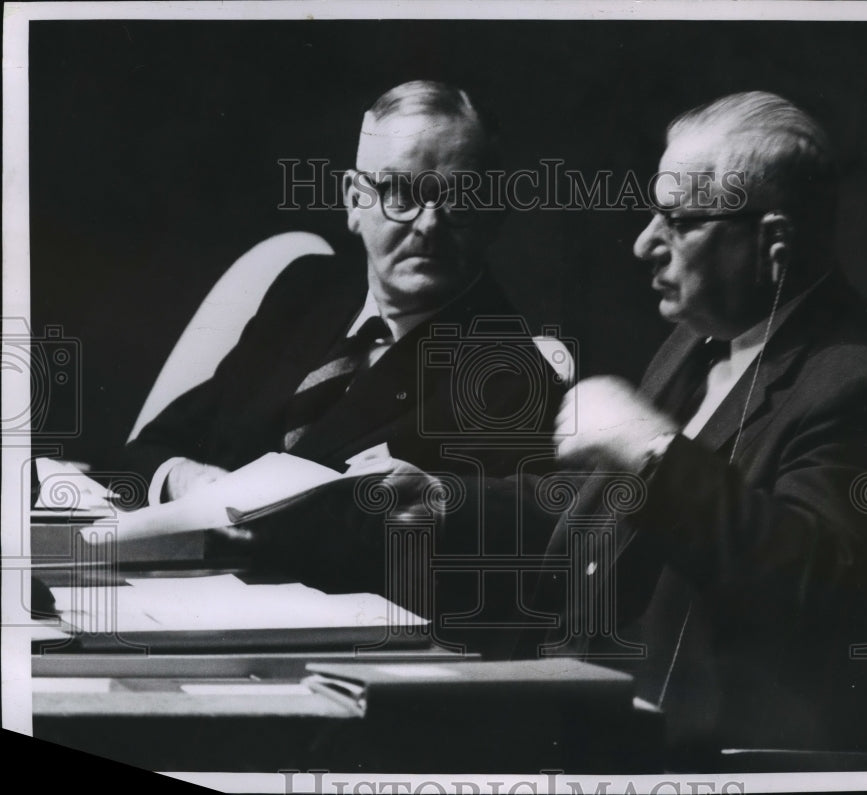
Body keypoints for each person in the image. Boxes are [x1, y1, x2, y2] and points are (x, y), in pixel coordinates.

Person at [528, 91, 867, 764]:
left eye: (678, 221)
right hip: (586, 713)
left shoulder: (860, 380)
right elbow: (592, 516)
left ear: (772, 245)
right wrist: (436, 497)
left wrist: (650, 449)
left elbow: (812, 582)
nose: (645, 243)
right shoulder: (696, 341)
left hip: (713, 755)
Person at [118, 81, 564, 604]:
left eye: (459, 197)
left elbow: (456, 578)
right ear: (355, 201)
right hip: (176, 600)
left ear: (494, 213)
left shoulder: (513, 376)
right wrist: (184, 479)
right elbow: (147, 449)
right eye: (400, 190)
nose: (429, 223)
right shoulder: (305, 292)